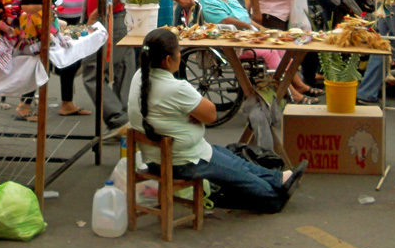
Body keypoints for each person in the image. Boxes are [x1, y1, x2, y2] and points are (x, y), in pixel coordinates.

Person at [128, 28, 303, 213]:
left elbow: (170, 111)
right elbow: (211, 115)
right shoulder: (176, 88)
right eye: (178, 51)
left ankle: (277, 178)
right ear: (167, 60)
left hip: (156, 157)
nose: (180, 55)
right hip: (183, 161)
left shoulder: (139, 77)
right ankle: (272, 197)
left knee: (228, 157)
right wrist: (193, 115)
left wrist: (188, 114)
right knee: (237, 171)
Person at [84, 0, 131, 130]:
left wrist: (95, 17)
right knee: (121, 69)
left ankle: (118, 118)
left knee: (93, 72)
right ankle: (122, 116)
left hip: (109, 21)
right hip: (115, 20)